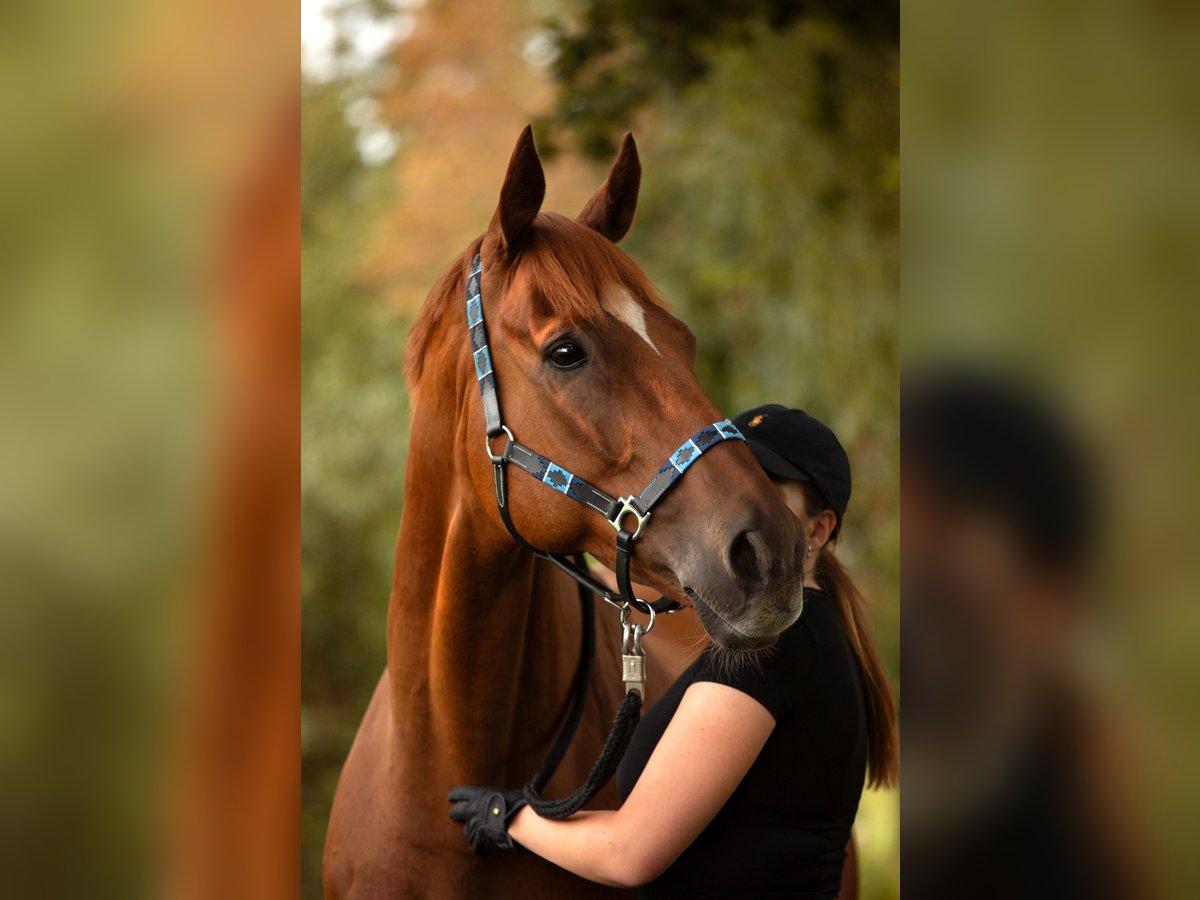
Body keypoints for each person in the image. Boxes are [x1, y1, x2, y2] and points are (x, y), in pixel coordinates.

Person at [449, 405, 899, 897]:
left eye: (770, 486)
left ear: (818, 529)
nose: (742, 500)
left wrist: (507, 819)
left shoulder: (779, 644)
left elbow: (629, 853)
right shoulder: (812, 630)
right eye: (734, 476)